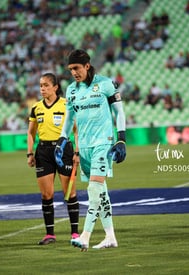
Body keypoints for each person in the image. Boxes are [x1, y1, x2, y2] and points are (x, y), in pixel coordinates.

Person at [54, 49, 127, 251]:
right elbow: (69, 119)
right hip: (84, 147)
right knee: (101, 192)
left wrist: (121, 139)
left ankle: (85, 236)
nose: (74, 73)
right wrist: (62, 140)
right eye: (70, 69)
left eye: (76, 68)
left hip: (103, 143)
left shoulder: (106, 84)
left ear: (87, 66)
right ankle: (110, 236)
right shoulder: (71, 90)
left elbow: (119, 112)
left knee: (93, 189)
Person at [27, 73, 80, 245]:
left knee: (69, 193)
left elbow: (76, 130)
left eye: (46, 85)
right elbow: (30, 132)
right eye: (41, 85)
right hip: (43, 152)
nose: (42, 88)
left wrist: (77, 152)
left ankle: (74, 233)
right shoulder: (36, 108)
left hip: (64, 149)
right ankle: (50, 234)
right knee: (46, 194)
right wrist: (30, 153)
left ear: (55, 87)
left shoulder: (66, 105)